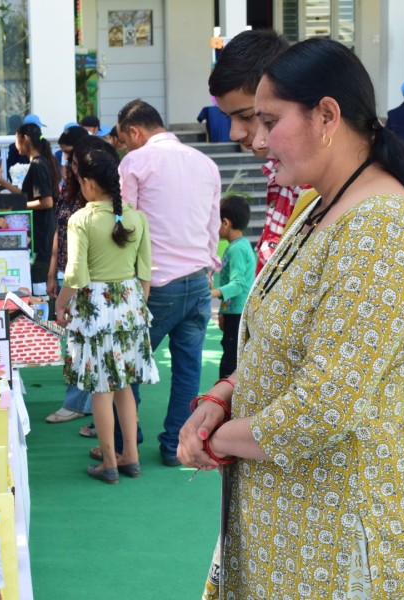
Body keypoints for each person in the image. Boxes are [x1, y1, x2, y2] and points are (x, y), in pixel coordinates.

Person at [179, 37, 404, 599]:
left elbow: (323, 406)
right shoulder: (322, 205)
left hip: (342, 534)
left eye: (268, 121)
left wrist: (216, 438)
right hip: (291, 520)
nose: (255, 139)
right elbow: (279, 347)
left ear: (326, 116)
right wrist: (221, 396)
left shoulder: (382, 226)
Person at [116, 99, 221, 467]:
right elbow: (213, 226)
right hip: (198, 280)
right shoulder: (205, 163)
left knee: (129, 366)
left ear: (134, 131)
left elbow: (125, 227)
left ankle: (125, 442)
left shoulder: (136, 162)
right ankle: (176, 445)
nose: (123, 146)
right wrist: (208, 268)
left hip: (155, 283)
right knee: (188, 370)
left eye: (123, 139)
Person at [54, 142, 157, 483]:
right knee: (124, 385)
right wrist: (137, 307)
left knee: (101, 388)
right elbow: (145, 272)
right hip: (130, 304)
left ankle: (109, 462)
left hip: (95, 309)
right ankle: (131, 457)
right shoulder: (136, 216)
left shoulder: (81, 219)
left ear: (87, 182)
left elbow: (76, 275)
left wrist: (60, 303)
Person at [208, 29, 314, 275]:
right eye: (228, 118)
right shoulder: (281, 177)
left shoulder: (322, 188)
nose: (234, 133)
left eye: (247, 116)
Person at [45, 130, 102, 425]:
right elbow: (60, 230)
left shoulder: (97, 198)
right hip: (70, 272)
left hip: (89, 278)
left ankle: (79, 403)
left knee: (81, 342)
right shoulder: (71, 189)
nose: (69, 164)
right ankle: (84, 403)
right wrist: (52, 269)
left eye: (74, 159)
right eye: (69, 158)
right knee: (77, 341)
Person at [0, 121, 59, 294]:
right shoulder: (39, 163)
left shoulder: (37, 166)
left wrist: (17, 207)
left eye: (16, 139)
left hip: (41, 233)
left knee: (40, 283)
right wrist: (3, 182)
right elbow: (26, 194)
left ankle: (45, 309)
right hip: (41, 231)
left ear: (24, 139)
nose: (15, 145)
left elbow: (46, 201)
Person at [210, 195, 255, 379]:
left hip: (237, 315)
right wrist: (223, 311)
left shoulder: (237, 249)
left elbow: (238, 284)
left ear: (225, 223)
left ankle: (225, 397)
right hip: (233, 313)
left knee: (230, 364)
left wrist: (211, 293)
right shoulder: (241, 245)